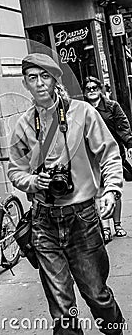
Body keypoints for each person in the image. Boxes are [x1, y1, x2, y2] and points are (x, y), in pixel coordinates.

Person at [8, 53, 124, 335]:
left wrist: (111, 189)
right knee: (61, 308)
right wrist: (35, 182)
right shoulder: (24, 125)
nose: (39, 84)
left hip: (82, 219)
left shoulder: (83, 113)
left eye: (45, 76)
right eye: (32, 78)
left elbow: (109, 154)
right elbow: (15, 171)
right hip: (43, 222)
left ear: (55, 79)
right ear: (25, 84)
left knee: (97, 294)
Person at [83, 76, 132, 243]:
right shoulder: (82, 109)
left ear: (100, 89)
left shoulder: (112, 106)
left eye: (94, 87)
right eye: (88, 88)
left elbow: (122, 126)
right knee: (98, 191)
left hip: (111, 154)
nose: (91, 91)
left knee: (113, 190)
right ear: (84, 91)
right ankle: (105, 228)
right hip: (92, 156)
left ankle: (117, 225)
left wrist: (129, 142)